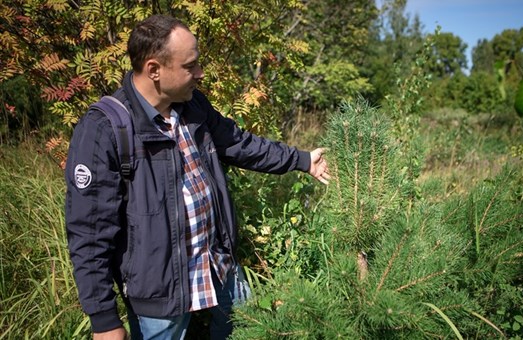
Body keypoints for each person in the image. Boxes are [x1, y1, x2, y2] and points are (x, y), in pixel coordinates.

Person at [65, 14, 330, 340]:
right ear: (154, 70)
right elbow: (89, 234)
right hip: (160, 291)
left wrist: (303, 160)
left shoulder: (192, 107)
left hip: (217, 265)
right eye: (190, 66)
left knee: (247, 331)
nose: (200, 73)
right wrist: (104, 320)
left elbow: (240, 144)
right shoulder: (105, 130)